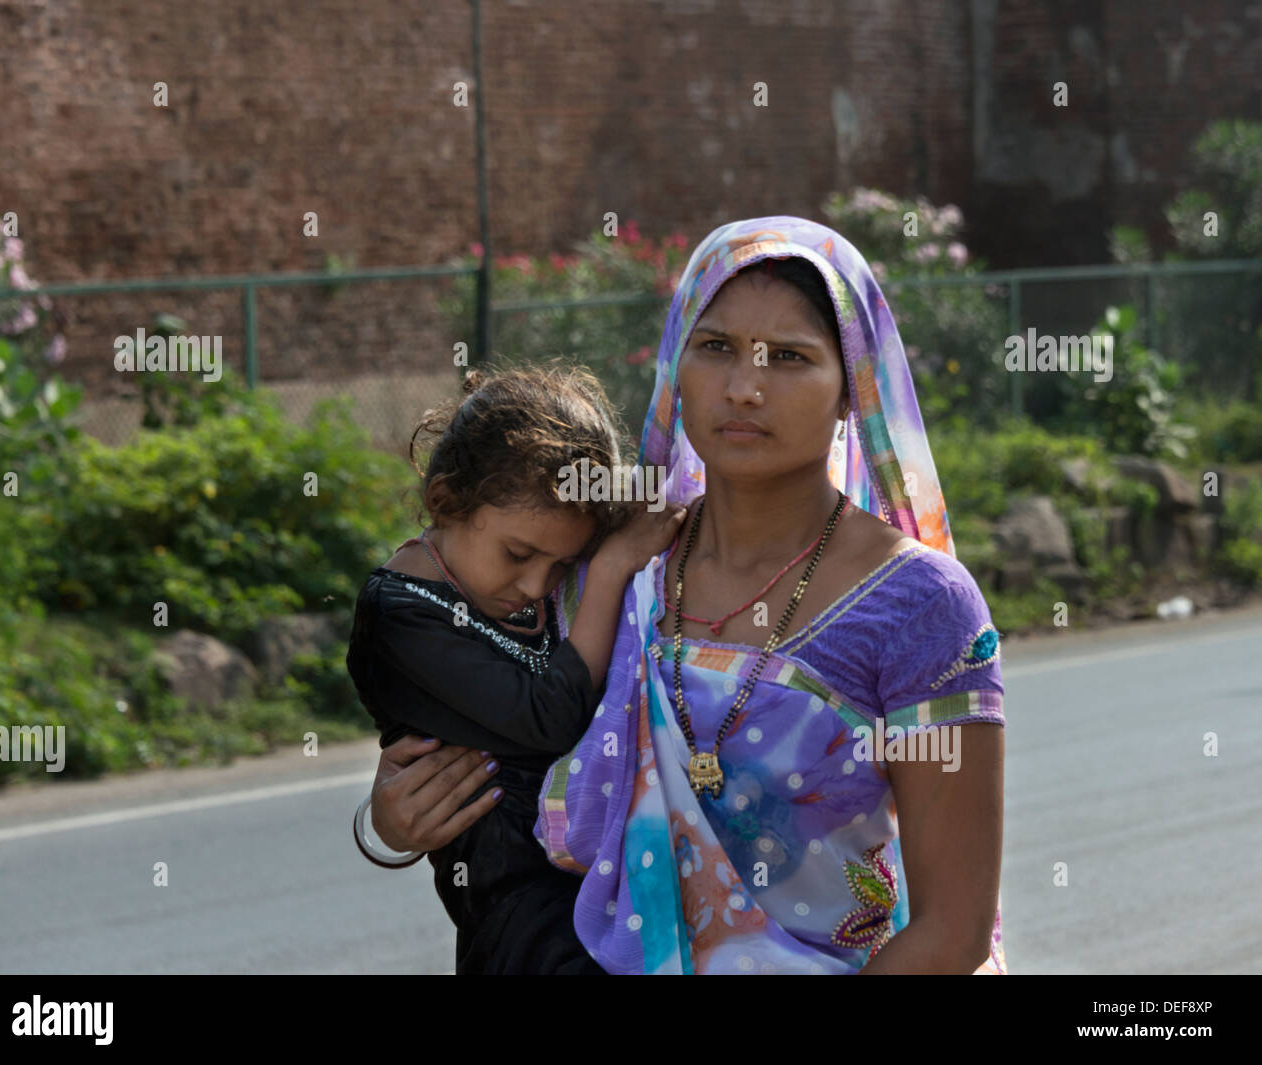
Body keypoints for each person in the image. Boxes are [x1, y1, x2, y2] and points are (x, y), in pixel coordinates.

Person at [365, 216, 1007, 975]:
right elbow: (486, 764)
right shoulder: (599, 568)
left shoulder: (917, 606)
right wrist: (384, 824)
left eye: (790, 358)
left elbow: (952, 932)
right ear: (676, 363)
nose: (744, 388)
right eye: (716, 348)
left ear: (850, 392)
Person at [346, 364, 684, 974]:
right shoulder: (398, 618)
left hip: (600, 888)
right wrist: (607, 571)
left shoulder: (523, 582)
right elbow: (551, 717)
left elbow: (659, 491)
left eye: (564, 565)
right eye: (519, 554)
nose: (536, 585)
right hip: (521, 912)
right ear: (445, 501)